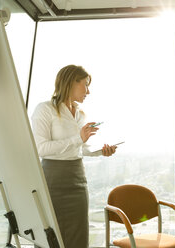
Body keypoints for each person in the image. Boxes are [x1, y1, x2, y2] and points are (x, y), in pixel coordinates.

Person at [31, 65, 117, 248]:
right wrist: (78, 138)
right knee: (51, 237)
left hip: (77, 180)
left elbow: (82, 148)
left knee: (79, 236)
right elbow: (41, 148)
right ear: (71, 82)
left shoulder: (80, 114)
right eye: (85, 85)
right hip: (52, 180)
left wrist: (103, 151)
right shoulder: (44, 109)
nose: (88, 91)